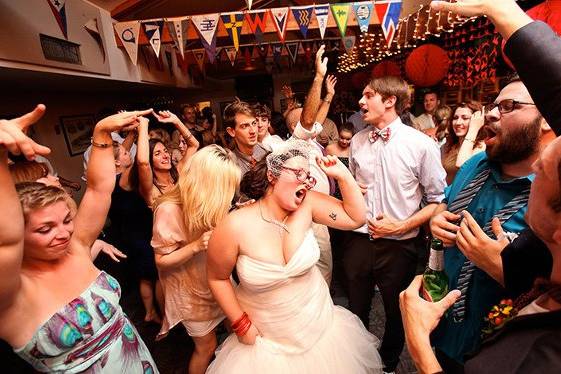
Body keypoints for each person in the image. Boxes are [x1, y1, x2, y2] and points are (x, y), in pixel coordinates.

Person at [0, 105, 158, 372]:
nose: (63, 233)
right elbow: (7, 241)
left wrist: (102, 133)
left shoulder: (76, 249)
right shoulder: (11, 293)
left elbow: (98, 191)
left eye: (66, 221)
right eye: (44, 229)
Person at [206, 140, 383, 373]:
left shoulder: (308, 204)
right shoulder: (234, 226)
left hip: (319, 328)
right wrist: (241, 324)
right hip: (267, 341)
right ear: (272, 175)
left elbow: (355, 218)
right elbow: (217, 278)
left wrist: (343, 175)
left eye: (308, 175)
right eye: (298, 173)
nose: (307, 180)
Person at [400, 133, 561, 374]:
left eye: (542, 172)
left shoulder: (539, 353)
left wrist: (418, 345)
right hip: (448, 330)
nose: (535, 166)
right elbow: (446, 200)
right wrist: (437, 215)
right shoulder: (477, 163)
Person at [429, 74, 553, 370]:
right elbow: (445, 205)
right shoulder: (474, 164)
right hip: (441, 328)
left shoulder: (550, 194)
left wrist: (502, 268)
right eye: (492, 105)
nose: (492, 113)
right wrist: (435, 220)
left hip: (497, 352)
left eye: (509, 106)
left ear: (547, 118)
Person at [346, 75, 447, 372]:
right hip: (358, 240)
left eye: (368, 95)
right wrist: (352, 187)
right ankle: (359, 362)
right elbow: (354, 185)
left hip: (400, 245)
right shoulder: (357, 141)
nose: (360, 102)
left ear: (390, 101)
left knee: (397, 310)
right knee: (356, 309)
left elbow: (438, 200)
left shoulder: (420, 145)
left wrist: (401, 227)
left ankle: (389, 364)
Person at [151, 145, 240, 374]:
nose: (228, 194)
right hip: (189, 291)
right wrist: (195, 246)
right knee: (206, 346)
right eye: (224, 186)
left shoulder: (208, 201)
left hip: (215, 280)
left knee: (237, 328)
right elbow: (161, 260)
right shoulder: (169, 210)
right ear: (207, 182)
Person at [441, 101, 486, 184]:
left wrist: (474, 129)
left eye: (465, 118)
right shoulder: (449, 146)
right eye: (455, 118)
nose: (458, 122)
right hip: (448, 195)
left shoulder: (482, 146)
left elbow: (463, 165)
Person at [224, 99, 268, 177]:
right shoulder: (229, 166)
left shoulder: (267, 155)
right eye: (244, 126)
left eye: (254, 123)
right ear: (231, 131)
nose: (253, 131)